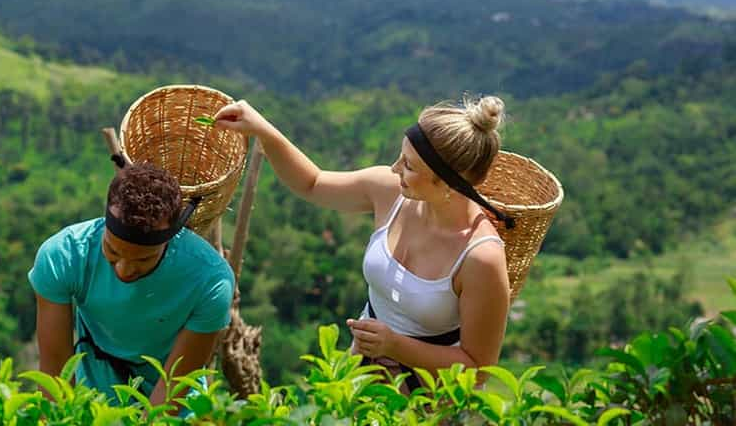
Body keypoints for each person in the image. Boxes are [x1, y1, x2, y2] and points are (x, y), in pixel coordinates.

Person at [213, 94, 511, 394]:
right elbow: (312, 183)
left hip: (430, 398)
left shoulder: (481, 257)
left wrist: (395, 346)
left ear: (447, 184)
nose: (395, 169)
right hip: (361, 374)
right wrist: (263, 130)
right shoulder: (389, 191)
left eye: (408, 165)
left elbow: (477, 369)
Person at [28, 161, 235, 406]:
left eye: (144, 259)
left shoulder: (209, 280)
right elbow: (55, 372)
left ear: (169, 241)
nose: (124, 270)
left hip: (172, 400)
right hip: (95, 394)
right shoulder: (65, 255)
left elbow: (174, 389)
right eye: (112, 252)